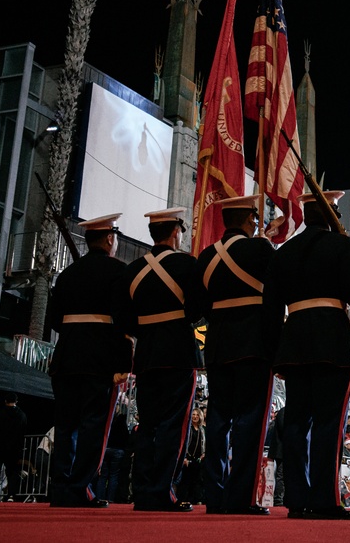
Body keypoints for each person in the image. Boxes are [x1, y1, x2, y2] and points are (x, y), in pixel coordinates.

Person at [264, 189, 350, 521]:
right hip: (331, 342)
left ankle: (297, 499)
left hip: (295, 342)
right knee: (330, 423)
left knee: (298, 421)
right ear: (332, 217)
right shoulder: (341, 246)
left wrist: (277, 353)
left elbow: (271, 309)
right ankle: (325, 500)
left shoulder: (283, 253)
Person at [114, 207, 201, 512]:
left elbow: (123, 319)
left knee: (148, 424)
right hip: (178, 352)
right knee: (173, 427)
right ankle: (163, 491)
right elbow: (197, 310)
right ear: (176, 232)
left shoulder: (132, 270)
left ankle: (142, 491)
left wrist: (148, 328)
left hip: (147, 353)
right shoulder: (186, 265)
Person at [196, 195, 276, 516]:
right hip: (253, 348)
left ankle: (214, 496)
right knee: (248, 423)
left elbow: (201, 307)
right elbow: (274, 300)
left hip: (216, 348)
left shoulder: (205, 257)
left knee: (217, 421)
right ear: (249, 221)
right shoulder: (260, 250)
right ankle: (239, 498)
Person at [46, 213, 133, 508]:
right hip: (100, 362)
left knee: (66, 425)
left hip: (67, 357)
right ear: (110, 239)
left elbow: (55, 321)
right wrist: (124, 363)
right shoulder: (119, 272)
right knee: (94, 427)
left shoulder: (68, 275)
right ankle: (81, 487)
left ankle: (60, 488)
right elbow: (124, 322)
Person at [0, 392, 27, 502]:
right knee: (12, 472)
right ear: (16, 401)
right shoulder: (21, 415)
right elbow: (23, 430)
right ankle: (12, 495)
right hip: (13, 448)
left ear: (5, 401)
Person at [178, 407, 206, 505]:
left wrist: (203, 454)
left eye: (197, 415)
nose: (195, 416)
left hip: (198, 458)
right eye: (193, 414)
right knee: (186, 480)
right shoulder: (188, 428)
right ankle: (183, 499)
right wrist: (184, 457)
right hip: (187, 458)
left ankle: (197, 499)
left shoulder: (202, 429)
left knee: (197, 480)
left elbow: (203, 444)